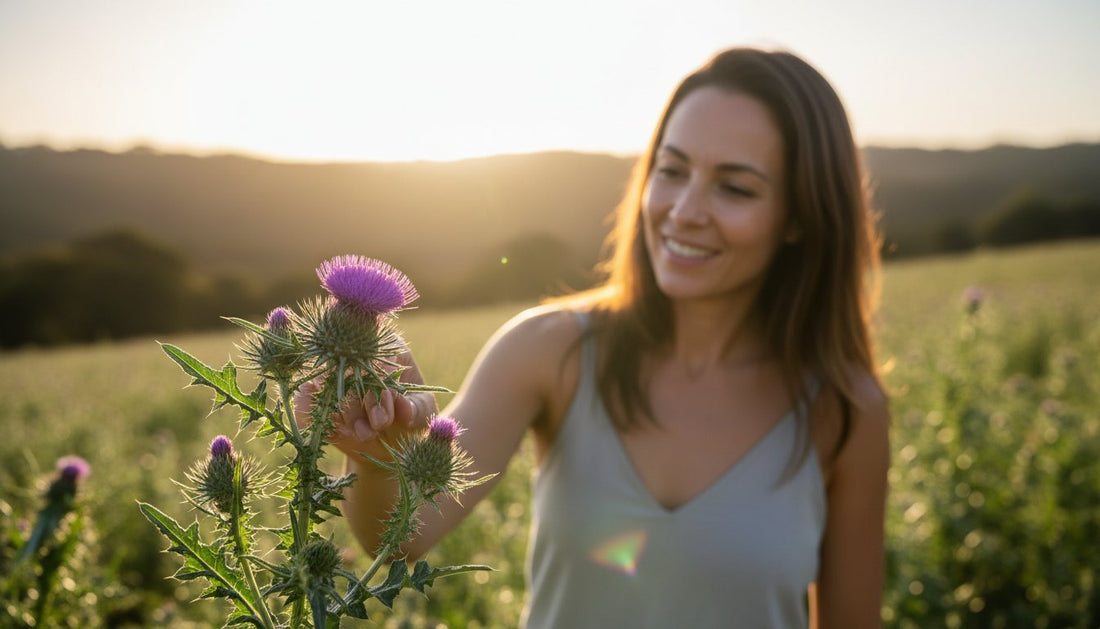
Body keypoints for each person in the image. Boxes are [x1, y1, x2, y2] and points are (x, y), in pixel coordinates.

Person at [307, 47, 890, 628]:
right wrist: (380, 460)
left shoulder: (846, 409)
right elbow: (404, 537)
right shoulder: (548, 350)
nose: (684, 211)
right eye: (672, 170)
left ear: (800, 218)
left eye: (735, 188)